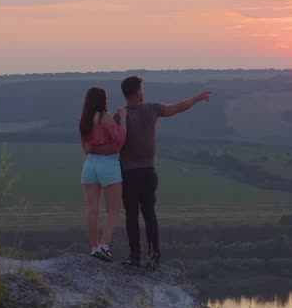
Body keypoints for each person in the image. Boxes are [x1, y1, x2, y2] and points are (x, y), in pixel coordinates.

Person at [87, 75, 211, 270]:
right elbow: (177, 108)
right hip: (147, 171)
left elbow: (110, 143)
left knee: (131, 215)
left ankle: (134, 257)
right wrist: (196, 98)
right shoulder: (151, 109)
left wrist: (92, 150)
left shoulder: (120, 116)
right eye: (141, 89)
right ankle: (153, 257)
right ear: (138, 92)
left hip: (127, 173)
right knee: (149, 215)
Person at [78, 86, 127, 262]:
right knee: (113, 209)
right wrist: (122, 118)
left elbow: (86, 148)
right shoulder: (105, 117)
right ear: (101, 100)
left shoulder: (84, 120)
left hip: (89, 165)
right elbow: (120, 138)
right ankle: (104, 246)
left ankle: (93, 246)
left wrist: (96, 149)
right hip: (109, 165)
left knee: (92, 210)